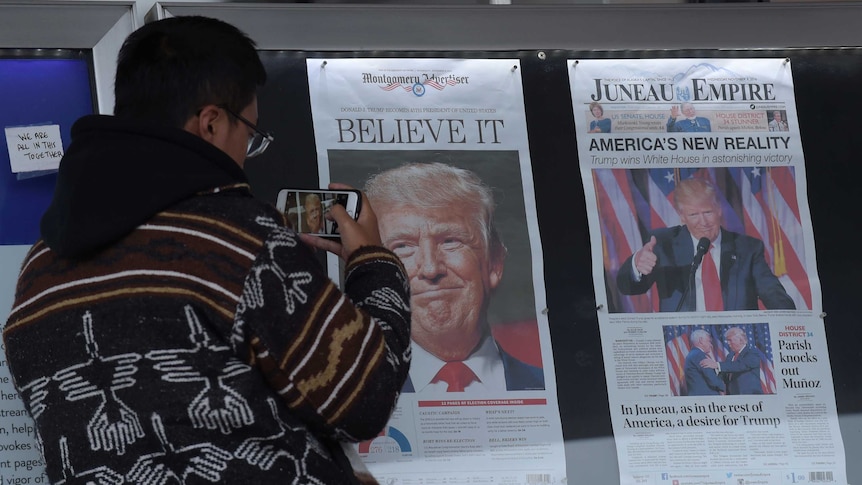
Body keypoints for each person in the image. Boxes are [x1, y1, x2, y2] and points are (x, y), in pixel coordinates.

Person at [2, 16, 411, 485]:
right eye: (250, 134)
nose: (245, 152)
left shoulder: (39, 268)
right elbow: (365, 399)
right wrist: (373, 263)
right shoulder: (239, 241)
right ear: (212, 123)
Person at [365, 162, 544, 393]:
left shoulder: (549, 386)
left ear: (495, 263)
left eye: (450, 241)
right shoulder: (350, 398)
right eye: (402, 246)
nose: (430, 269)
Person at [616, 177, 795, 312]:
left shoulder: (747, 248)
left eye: (708, 212)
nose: (703, 222)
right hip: (681, 345)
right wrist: (636, 264)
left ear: (718, 210)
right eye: (693, 215)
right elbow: (628, 287)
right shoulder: (664, 244)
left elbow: (775, 296)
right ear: (682, 216)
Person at [700, 327, 763, 395]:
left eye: (730, 340)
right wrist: (711, 371)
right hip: (732, 395)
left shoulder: (752, 353)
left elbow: (739, 365)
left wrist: (717, 365)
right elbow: (724, 373)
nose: (728, 343)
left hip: (749, 395)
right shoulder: (730, 356)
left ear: (740, 340)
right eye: (727, 340)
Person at [683, 329, 725, 396]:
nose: (711, 345)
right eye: (709, 341)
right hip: (706, 397)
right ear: (701, 341)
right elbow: (711, 379)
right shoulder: (699, 355)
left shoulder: (692, 354)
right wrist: (723, 386)